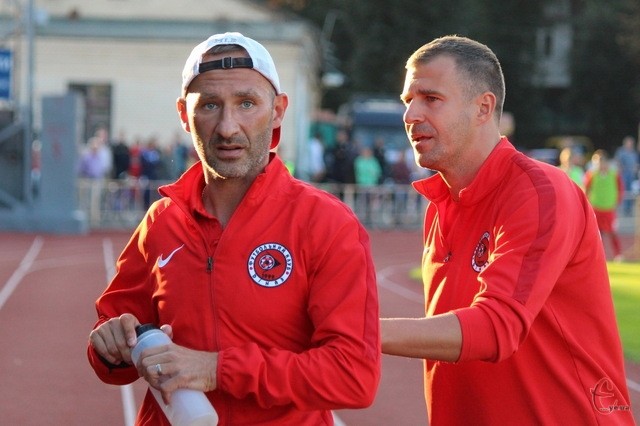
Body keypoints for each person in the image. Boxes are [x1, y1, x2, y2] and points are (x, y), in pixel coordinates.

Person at [87, 32, 380, 425]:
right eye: (209, 105)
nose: (227, 127)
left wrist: (218, 370)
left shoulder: (326, 223)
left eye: (246, 103)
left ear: (277, 111)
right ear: (184, 114)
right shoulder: (161, 221)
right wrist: (109, 346)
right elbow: (113, 346)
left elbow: (353, 375)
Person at [381, 35, 633, 425]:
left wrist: (357, 332)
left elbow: (495, 328)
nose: (410, 115)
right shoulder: (441, 205)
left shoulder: (538, 191)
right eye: (407, 100)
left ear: (483, 107)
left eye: (430, 98)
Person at [585, 149, 625, 261]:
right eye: (596, 163)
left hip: (609, 209)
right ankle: (598, 256)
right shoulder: (591, 174)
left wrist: (617, 202)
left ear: (605, 162)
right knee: (597, 234)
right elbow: (586, 189)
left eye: (600, 162)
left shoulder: (614, 174)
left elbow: (620, 188)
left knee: (613, 232)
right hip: (596, 209)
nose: (599, 165)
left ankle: (618, 255)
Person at [614, 135, 638, 215]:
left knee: (630, 191)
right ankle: (624, 208)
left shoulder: (633, 152)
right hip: (624, 174)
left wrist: (635, 168)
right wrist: (621, 169)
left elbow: (635, 163)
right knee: (623, 190)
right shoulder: (621, 151)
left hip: (631, 175)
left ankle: (629, 208)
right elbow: (618, 161)